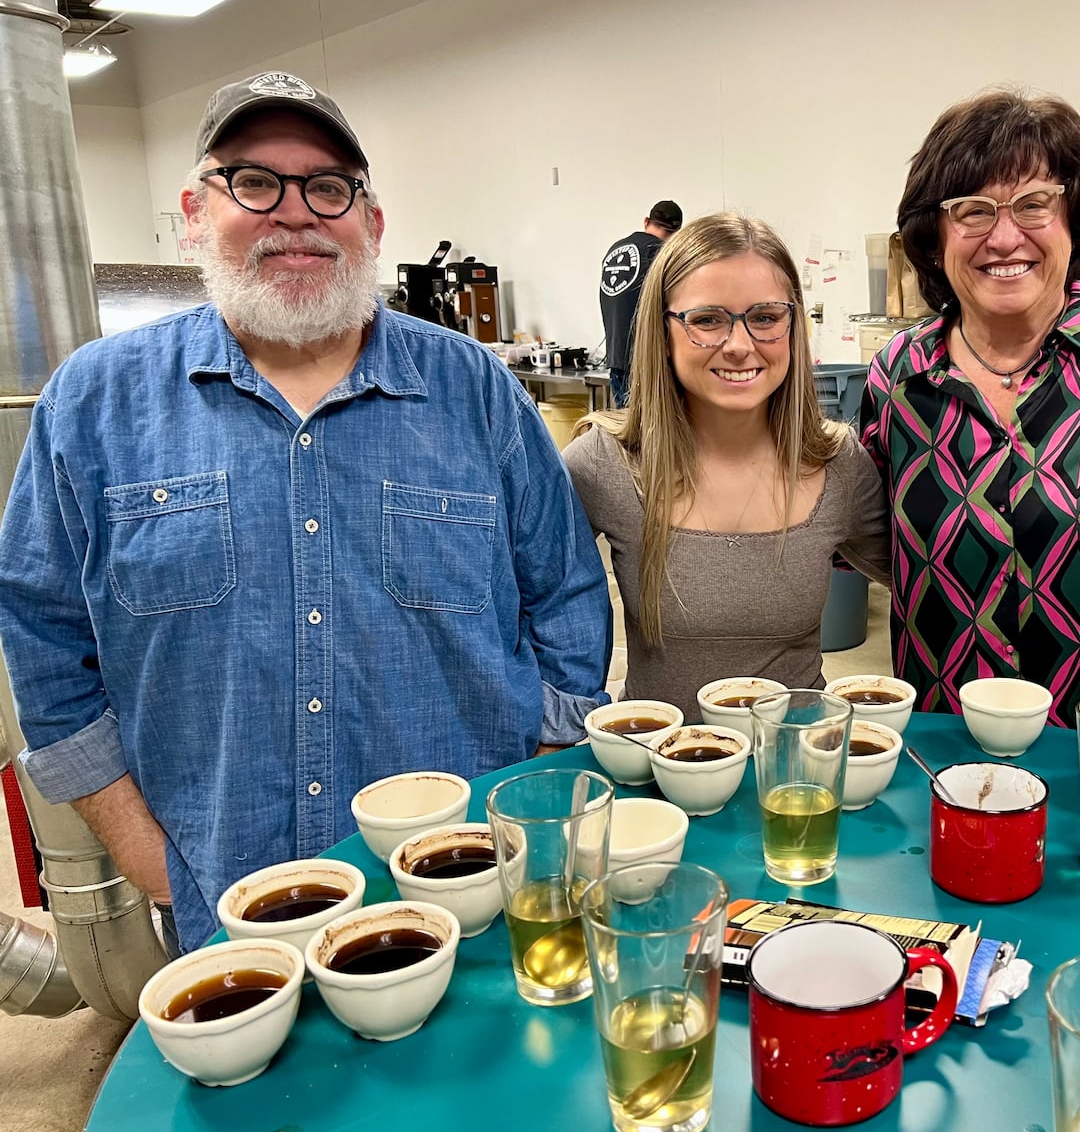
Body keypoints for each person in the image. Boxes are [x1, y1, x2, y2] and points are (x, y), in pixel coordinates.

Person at [0, 71, 612, 954]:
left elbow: (568, 604)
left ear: (371, 221)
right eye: (255, 182)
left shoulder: (476, 391)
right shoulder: (93, 406)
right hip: (230, 909)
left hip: (475, 898)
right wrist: (154, 860)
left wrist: (536, 816)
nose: (296, 214)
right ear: (194, 211)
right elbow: (45, 644)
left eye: (328, 187)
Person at [860, 89, 1080, 727]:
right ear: (936, 234)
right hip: (944, 752)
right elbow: (872, 542)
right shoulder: (899, 377)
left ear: (1073, 218)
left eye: (1034, 204)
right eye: (973, 210)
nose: (1005, 237)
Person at [564, 212, 890, 716]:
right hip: (656, 775)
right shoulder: (605, 464)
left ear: (792, 324)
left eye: (764, 317)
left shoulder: (838, 463)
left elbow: (931, 582)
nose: (739, 346)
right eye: (707, 320)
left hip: (797, 777)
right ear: (663, 330)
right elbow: (523, 599)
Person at [600, 199, 683, 406]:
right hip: (649, 362)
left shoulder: (615, 250)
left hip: (616, 357)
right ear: (677, 233)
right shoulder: (663, 255)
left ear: (647, 221)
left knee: (626, 428)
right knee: (651, 431)